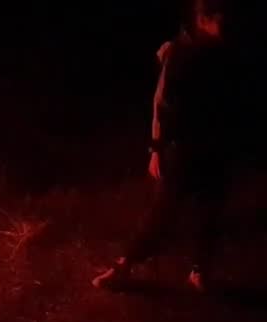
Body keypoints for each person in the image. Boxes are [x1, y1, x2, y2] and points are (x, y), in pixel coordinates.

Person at [92, 0, 230, 292]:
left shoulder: (224, 53)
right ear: (203, 19)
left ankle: (199, 270)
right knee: (163, 213)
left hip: (215, 144)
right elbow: (163, 103)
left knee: (208, 210)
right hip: (182, 147)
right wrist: (156, 149)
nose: (228, 25)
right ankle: (123, 267)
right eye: (221, 18)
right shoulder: (180, 53)